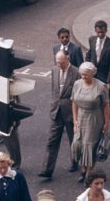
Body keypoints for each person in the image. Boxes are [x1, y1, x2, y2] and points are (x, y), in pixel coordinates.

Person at [40, 49, 80, 181]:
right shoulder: (54, 70)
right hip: (56, 111)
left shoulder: (76, 73)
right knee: (52, 141)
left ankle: (75, 162)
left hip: (70, 112)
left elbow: (78, 95)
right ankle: (47, 170)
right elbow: (54, 90)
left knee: (73, 140)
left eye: (61, 63)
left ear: (68, 59)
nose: (59, 65)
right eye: (57, 62)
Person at [70, 62, 110, 185]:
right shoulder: (77, 84)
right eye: (82, 74)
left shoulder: (101, 86)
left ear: (92, 74)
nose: (83, 77)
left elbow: (106, 105)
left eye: (86, 75)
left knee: (90, 146)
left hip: (94, 119)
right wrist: (75, 120)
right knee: (78, 144)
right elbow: (74, 102)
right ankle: (83, 170)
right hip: (81, 117)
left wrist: (106, 122)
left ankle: (88, 174)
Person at [85, 21, 110, 98]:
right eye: (98, 32)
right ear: (95, 31)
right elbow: (89, 53)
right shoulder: (91, 40)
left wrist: (109, 82)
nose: (100, 34)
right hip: (92, 75)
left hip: (104, 77)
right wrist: (87, 68)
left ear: (106, 30)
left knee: (104, 99)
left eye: (102, 32)